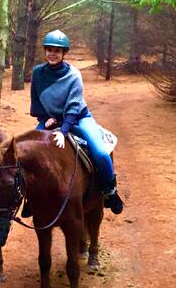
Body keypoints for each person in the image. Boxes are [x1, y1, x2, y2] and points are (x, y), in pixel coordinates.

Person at [30, 30, 123, 214]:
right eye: (49, 49)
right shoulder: (38, 73)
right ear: (45, 50)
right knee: (31, 152)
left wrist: (63, 131)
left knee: (100, 153)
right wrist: (45, 118)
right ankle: (31, 198)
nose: (53, 54)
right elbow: (36, 103)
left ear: (64, 53)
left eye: (57, 50)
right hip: (51, 120)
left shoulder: (73, 75)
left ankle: (110, 191)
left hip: (78, 118)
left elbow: (73, 107)